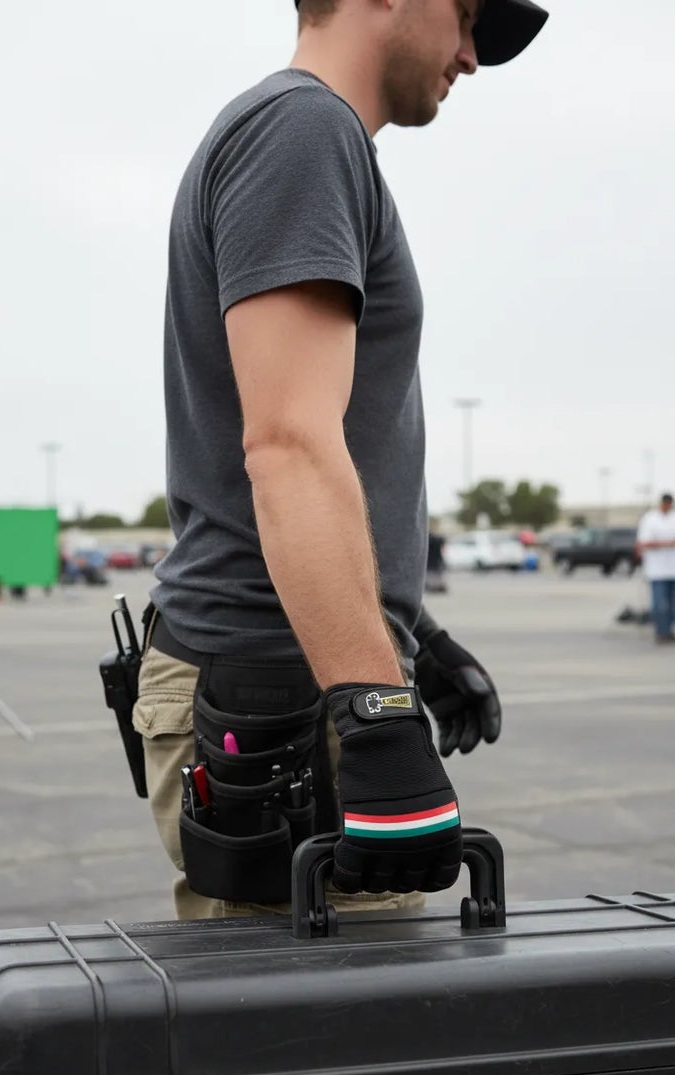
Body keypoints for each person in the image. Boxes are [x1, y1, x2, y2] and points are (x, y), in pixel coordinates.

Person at [132, 0, 548, 920]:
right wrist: (373, 708)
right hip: (280, 696)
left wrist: (410, 632)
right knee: (323, 1044)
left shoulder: (309, 138)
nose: (473, 57)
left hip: (283, 675)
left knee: (313, 1031)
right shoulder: (303, 130)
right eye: (471, 17)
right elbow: (287, 446)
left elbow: (317, 445)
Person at [636, 493, 675, 644]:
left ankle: (668, 630)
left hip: (673, 569)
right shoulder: (650, 519)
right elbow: (643, 544)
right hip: (657, 570)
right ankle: (662, 632)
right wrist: (667, 544)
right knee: (660, 604)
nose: (667, 506)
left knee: (672, 604)